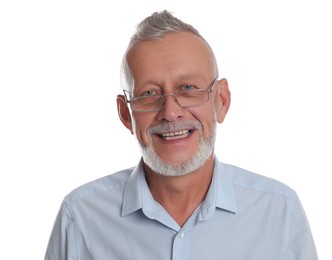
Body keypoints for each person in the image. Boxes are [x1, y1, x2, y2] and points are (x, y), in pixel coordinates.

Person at [45, 10, 318, 260]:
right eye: (148, 94)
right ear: (126, 114)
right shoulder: (79, 218)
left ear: (221, 101)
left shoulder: (280, 213)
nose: (171, 112)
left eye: (188, 88)